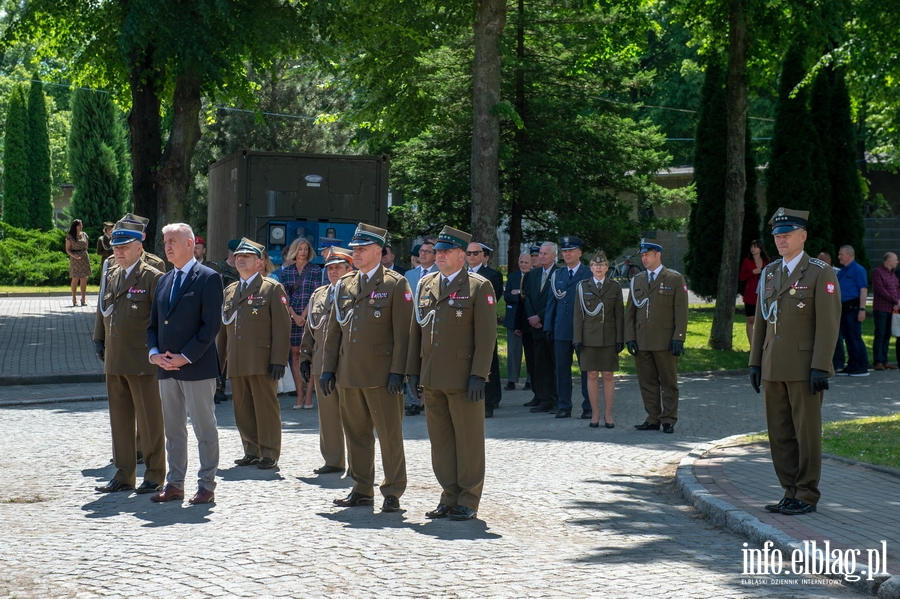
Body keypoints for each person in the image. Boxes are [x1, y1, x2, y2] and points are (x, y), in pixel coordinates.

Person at [749, 207, 841, 515]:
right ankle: (789, 490)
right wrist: (755, 362)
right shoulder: (771, 271)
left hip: (804, 368)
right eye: (777, 236)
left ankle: (806, 493)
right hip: (773, 364)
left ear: (803, 236)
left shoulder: (819, 271)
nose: (780, 240)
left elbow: (828, 322)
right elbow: (763, 318)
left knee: (806, 433)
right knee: (780, 433)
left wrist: (821, 364)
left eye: (786, 235)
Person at [320, 223, 412, 513]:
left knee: (389, 436)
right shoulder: (346, 284)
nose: (356, 254)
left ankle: (393, 491)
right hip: (348, 373)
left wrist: (399, 372)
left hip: (381, 375)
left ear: (378, 251)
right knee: (356, 435)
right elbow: (335, 330)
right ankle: (361, 488)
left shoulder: (395, 284)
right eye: (355, 249)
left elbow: (403, 333)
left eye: (361, 249)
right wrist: (328, 369)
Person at [406, 225, 495, 521]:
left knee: (468, 442)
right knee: (442, 443)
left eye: (445, 252)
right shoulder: (426, 283)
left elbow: (486, 336)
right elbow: (416, 332)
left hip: (462, 376)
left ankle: (468, 498)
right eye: (436, 251)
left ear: (461, 255)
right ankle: (449, 494)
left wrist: (478, 375)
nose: (438, 256)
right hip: (431, 376)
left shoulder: (478, 286)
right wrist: (412, 372)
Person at [147, 223, 224, 505]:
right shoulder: (164, 280)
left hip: (196, 366)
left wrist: (186, 356)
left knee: (204, 428)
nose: (167, 246)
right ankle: (175, 483)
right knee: (173, 430)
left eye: (173, 241)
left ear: (190, 243)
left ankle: (206, 485)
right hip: (166, 368)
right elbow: (153, 325)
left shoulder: (208, 278)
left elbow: (210, 326)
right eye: (165, 241)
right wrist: (154, 353)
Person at [92, 219, 166, 494]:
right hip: (116, 358)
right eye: (115, 247)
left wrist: (158, 352)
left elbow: (161, 321)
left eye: (124, 247)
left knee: (149, 422)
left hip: (142, 360)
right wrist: (99, 340)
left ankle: (155, 474)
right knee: (120, 422)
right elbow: (104, 311)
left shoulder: (152, 276)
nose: (118, 252)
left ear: (139, 247)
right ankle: (124, 474)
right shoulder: (113, 275)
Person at [217, 238, 291, 470]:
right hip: (237, 360)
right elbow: (223, 332)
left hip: (262, 361)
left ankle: (269, 452)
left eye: (246, 257)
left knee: (265, 408)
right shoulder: (230, 291)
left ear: (259, 262)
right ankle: (251, 450)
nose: (240, 259)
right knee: (242, 408)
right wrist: (219, 365)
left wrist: (279, 360)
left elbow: (282, 327)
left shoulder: (271, 288)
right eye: (238, 256)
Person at [299, 247, 354, 475]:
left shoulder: (356, 292)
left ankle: (358, 463)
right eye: (330, 268)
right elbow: (311, 329)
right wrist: (305, 356)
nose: (332, 272)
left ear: (349, 269)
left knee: (353, 417)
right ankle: (333, 460)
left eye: (338, 267)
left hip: (348, 364)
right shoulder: (319, 294)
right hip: (322, 363)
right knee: (328, 416)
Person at [625, 240, 688, 434]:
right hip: (642, 339)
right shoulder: (637, 280)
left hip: (665, 340)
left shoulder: (674, 279)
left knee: (668, 382)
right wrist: (630, 337)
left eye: (647, 255)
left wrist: (679, 337)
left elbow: (681, 310)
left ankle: (668, 419)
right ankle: (653, 417)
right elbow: (630, 312)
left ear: (658, 255)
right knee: (647, 381)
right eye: (642, 256)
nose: (644, 259)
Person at [543, 236, 592, 419]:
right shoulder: (558, 275)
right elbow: (551, 303)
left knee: (586, 369)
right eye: (564, 251)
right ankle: (564, 405)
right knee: (562, 369)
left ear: (580, 252)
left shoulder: (588, 274)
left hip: (583, 331)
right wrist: (548, 326)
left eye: (571, 250)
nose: (567, 254)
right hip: (561, 330)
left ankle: (588, 406)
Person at [573, 252, 623, 429]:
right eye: (595, 265)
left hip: (609, 337)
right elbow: (578, 315)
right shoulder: (582, 286)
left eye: (602, 265)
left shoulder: (614, 287)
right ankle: (595, 413)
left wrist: (620, 338)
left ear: (607, 268)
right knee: (592, 375)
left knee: (608, 375)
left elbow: (619, 315)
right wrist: (577, 339)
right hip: (589, 337)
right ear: (591, 268)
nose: (599, 268)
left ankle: (608, 414)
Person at [280, 237, 322, 409]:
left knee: (309, 355)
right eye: (300, 249)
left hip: (309, 316)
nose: (303, 252)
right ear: (294, 251)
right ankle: (299, 394)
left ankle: (309, 395)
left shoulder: (315, 270)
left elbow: (316, 294)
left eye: (306, 249)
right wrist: (294, 315)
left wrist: (303, 315)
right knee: (295, 355)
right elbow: (283, 296)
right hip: (292, 316)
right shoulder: (286, 271)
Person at [466, 242, 504, 417]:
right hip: (464, 324)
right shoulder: (461, 274)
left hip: (483, 323)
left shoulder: (492, 276)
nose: (472, 256)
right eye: (468, 253)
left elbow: (490, 300)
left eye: (475, 253)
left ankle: (489, 401)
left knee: (488, 363)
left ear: (483, 255)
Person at [522, 242, 559, 413]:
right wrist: (532, 317)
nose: (541, 256)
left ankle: (558, 399)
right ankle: (544, 399)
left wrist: (541, 316)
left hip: (552, 326)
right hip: (535, 327)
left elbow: (556, 299)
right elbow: (527, 297)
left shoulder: (559, 273)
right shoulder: (534, 274)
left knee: (555, 364)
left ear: (554, 256)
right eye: (540, 253)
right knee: (540, 364)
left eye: (545, 254)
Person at [404, 237, 439, 416]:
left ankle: (429, 399)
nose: (423, 254)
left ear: (435, 255)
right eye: (421, 252)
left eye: (427, 252)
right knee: (411, 362)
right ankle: (414, 401)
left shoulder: (441, 273)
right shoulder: (409, 275)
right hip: (412, 324)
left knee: (428, 362)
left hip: (432, 324)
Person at [836, 245, 870, 376]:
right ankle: (852, 365)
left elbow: (863, 290)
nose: (839, 256)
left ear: (849, 255)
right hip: (844, 309)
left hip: (854, 307)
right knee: (848, 338)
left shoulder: (858, 270)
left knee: (855, 337)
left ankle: (862, 366)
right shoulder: (843, 271)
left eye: (841, 254)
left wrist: (862, 309)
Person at [504, 253, 531, 390]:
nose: (523, 265)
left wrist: (519, 292)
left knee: (530, 351)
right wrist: (520, 295)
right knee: (513, 351)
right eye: (521, 262)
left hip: (528, 320)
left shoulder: (533, 276)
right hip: (513, 319)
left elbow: (530, 297)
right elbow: (507, 296)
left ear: (531, 264)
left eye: (526, 262)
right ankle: (512, 380)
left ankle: (530, 380)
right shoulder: (513, 276)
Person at [738, 240, 771, 344]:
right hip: (750, 294)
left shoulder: (767, 261)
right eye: (752, 247)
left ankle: (762, 344)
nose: (753, 249)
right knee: (750, 319)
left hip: (763, 294)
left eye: (755, 247)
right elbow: (742, 277)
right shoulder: (747, 261)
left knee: (762, 320)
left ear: (760, 249)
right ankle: (752, 345)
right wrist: (752, 272)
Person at [871, 252, 900, 370]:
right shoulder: (878, 272)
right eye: (896, 260)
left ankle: (884, 360)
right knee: (880, 334)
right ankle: (878, 361)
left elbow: (897, 289)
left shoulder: (893, 275)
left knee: (887, 334)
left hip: (891, 309)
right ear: (889, 261)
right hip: (881, 308)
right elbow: (881, 290)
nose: (897, 262)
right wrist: (895, 301)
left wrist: (897, 302)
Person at [66, 219, 91, 307]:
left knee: (84, 278)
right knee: (75, 278)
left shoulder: (84, 235)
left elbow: (86, 246)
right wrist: (74, 255)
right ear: (76, 226)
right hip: (74, 258)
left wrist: (82, 253)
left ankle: (83, 299)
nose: (81, 227)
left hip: (83, 257)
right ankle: (74, 298)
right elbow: (67, 249)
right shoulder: (70, 236)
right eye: (80, 225)